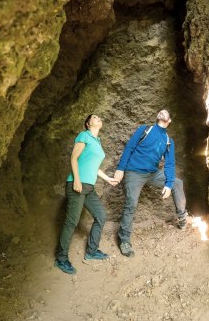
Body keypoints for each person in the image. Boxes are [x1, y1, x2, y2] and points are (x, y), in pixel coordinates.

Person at [114, 109, 188, 257]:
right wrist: (120, 168)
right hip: (134, 172)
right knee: (131, 203)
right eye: (162, 111)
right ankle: (124, 240)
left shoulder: (168, 141)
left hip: (152, 174)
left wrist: (168, 184)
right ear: (158, 117)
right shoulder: (145, 130)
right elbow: (129, 147)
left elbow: (169, 164)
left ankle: (182, 217)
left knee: (177, 183)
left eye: (167, 112)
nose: (164, 111)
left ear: (169, 121)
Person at [55, 114, 118, 275]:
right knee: (71, 222)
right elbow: (74, 158)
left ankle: (91, 251)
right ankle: (61, 259)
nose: (99, 118)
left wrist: (108, 179)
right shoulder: (84, 135)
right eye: (95, 117)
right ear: (88, 123)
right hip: (77, 184)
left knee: (101, 216)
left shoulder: (97, 142)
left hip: (89, 187)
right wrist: (76, 179)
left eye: (99, 117)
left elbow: (94, 167)